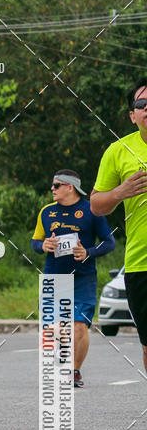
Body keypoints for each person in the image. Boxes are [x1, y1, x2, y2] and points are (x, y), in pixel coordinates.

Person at [31, 170, 115, 388]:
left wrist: (88, 252)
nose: (52, 189)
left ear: (70, 187)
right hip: (54, 277)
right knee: (53, 328)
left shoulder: (92, 210)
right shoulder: (46, 212)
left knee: (79, 326)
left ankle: (74, 371)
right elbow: (35, 242)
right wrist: (43, 245)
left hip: (83, 278)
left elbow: (109, 242)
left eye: (56, 185)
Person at [91, 78, 147, 373]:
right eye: (142, 104)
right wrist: (120, 192)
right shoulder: (118, 151)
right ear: (132, 115)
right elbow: (96, 205)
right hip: (141, 264)